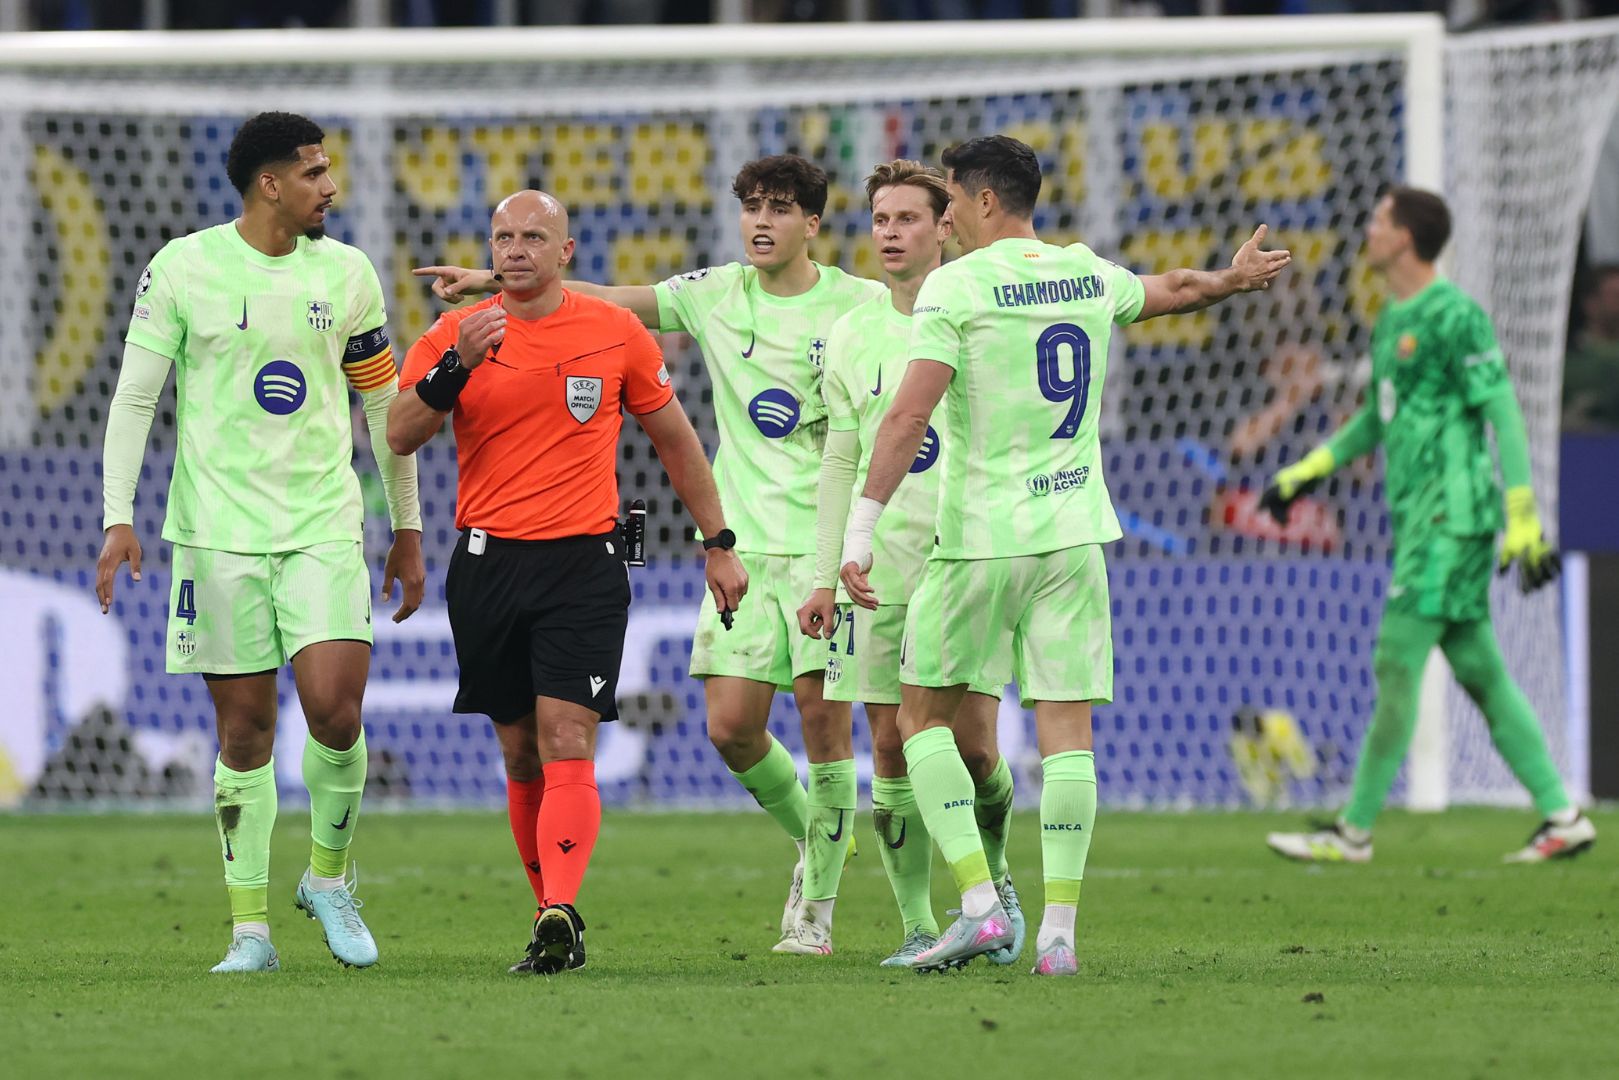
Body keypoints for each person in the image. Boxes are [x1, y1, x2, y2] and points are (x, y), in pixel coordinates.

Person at [840, 134, 1289, 976]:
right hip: (1075, 535)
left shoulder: (956, 285)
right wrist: (1232, 279)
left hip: (979, 539)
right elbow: (1177, 289)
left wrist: (861, 526)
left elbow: (905, 418)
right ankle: (1058, 937)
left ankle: (976, 906)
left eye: (948, 201)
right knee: (1066, 737)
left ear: (977, 201)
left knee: (918, 719)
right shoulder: (1084, 270)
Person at [414, 156, 884, 950]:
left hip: (824, 543)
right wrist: (499, 283)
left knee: (820, 720)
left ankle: (818, 909)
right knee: (730, 728)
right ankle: (816, 836)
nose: (761, 221)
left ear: (812, 222)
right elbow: (600, 300)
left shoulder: (862, 304)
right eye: (751, 207)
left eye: (779, 208)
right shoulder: (713, 294)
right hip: (743, 540)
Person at [96, 111, 425, 973]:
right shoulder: (183, 267)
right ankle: (250, 933)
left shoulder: (348, 273)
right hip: (216, 535)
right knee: (244, 735)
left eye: (329, 169)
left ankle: (326, 879)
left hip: (322, 523)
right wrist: (116, 514)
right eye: (314, 172)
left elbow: (383, 408)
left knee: (336, 712)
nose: (332, 186)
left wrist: (409, 527)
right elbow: (135, 399)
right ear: (268, 184)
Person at [390, 190, 746, 974]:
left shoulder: (614, 332)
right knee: (519, 751)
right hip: (486, 564)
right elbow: (397, 431)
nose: (515, 249)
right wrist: (458, 368)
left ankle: (560, 909)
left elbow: (677, 444)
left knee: (566, 736)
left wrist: (717, 542)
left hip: (585, 563)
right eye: (502, 237)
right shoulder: (456, 334)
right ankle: (545, 911)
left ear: (566, 251)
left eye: (532, 237)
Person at [1260, 187, 1597, 865]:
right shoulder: (1392, 319)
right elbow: (1378, 419)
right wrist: (1306, 469)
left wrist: (1522, 513)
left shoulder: (1453, 314)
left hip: (1452, 518)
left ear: (1405, 238)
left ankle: (1352, 831)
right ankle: (1562, 816)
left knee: (1395, 659)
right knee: (1479, 668)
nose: (1367, 226)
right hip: (1421, 521)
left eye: (1379, 219)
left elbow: (1501, 407)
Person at [794, 160, 1018, 965]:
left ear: (944, 226)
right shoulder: (852, 335)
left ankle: (994, 880)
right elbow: (838, 465)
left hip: (965, 553)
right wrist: (824, 574)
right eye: (880, 220)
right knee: (888, 745)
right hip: (878, 567)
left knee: (976, 750)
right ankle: (924, 925)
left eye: (907, 219)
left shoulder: (981, 310)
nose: (889, 234)